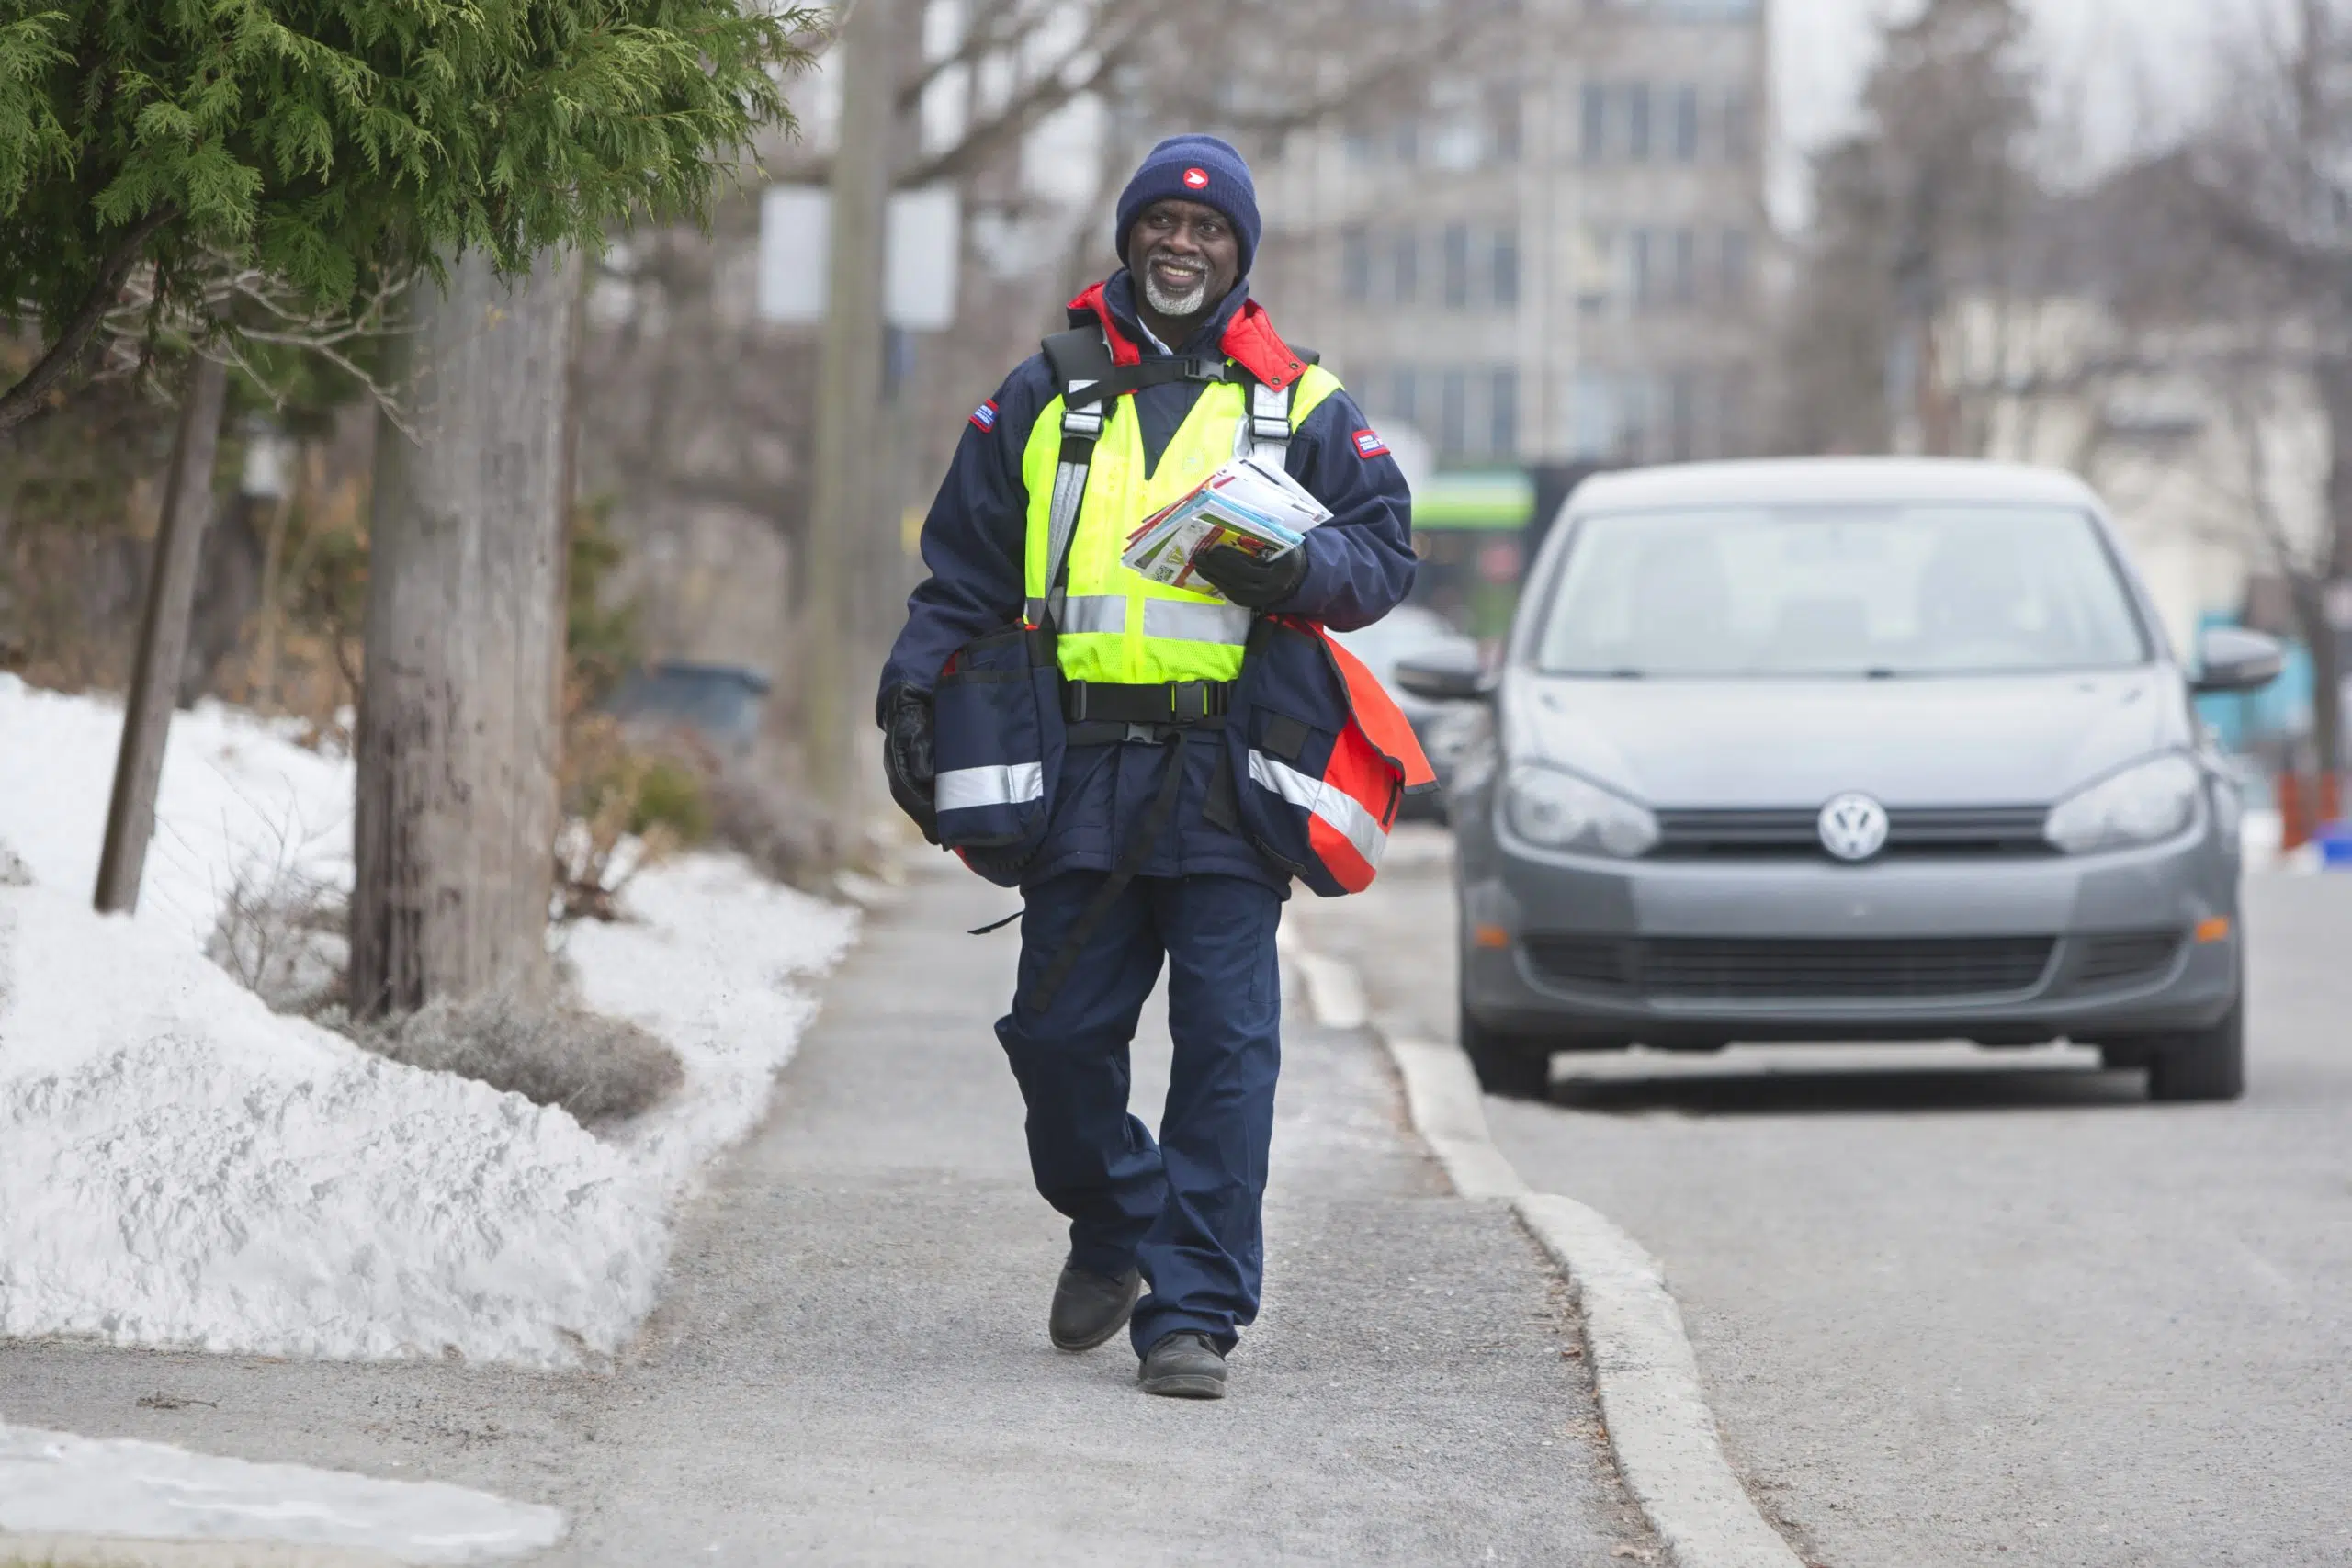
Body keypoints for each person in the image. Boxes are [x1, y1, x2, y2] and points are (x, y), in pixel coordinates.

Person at [875, 134, 1416, 1399]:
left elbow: (1385, 556)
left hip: (1232, 776)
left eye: (1209, 232)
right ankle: (1117, 1218)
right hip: (1080, 772)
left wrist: (1296, 571)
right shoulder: (1043, 394)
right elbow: (959, 574)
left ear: (1239, 255)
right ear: (1129, 241)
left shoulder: (1299, 400)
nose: (1183, 246)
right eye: (1162, 228)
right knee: (1055, 1036)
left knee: (1227, 1052)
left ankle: (1196, 1311)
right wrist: (912, 691)